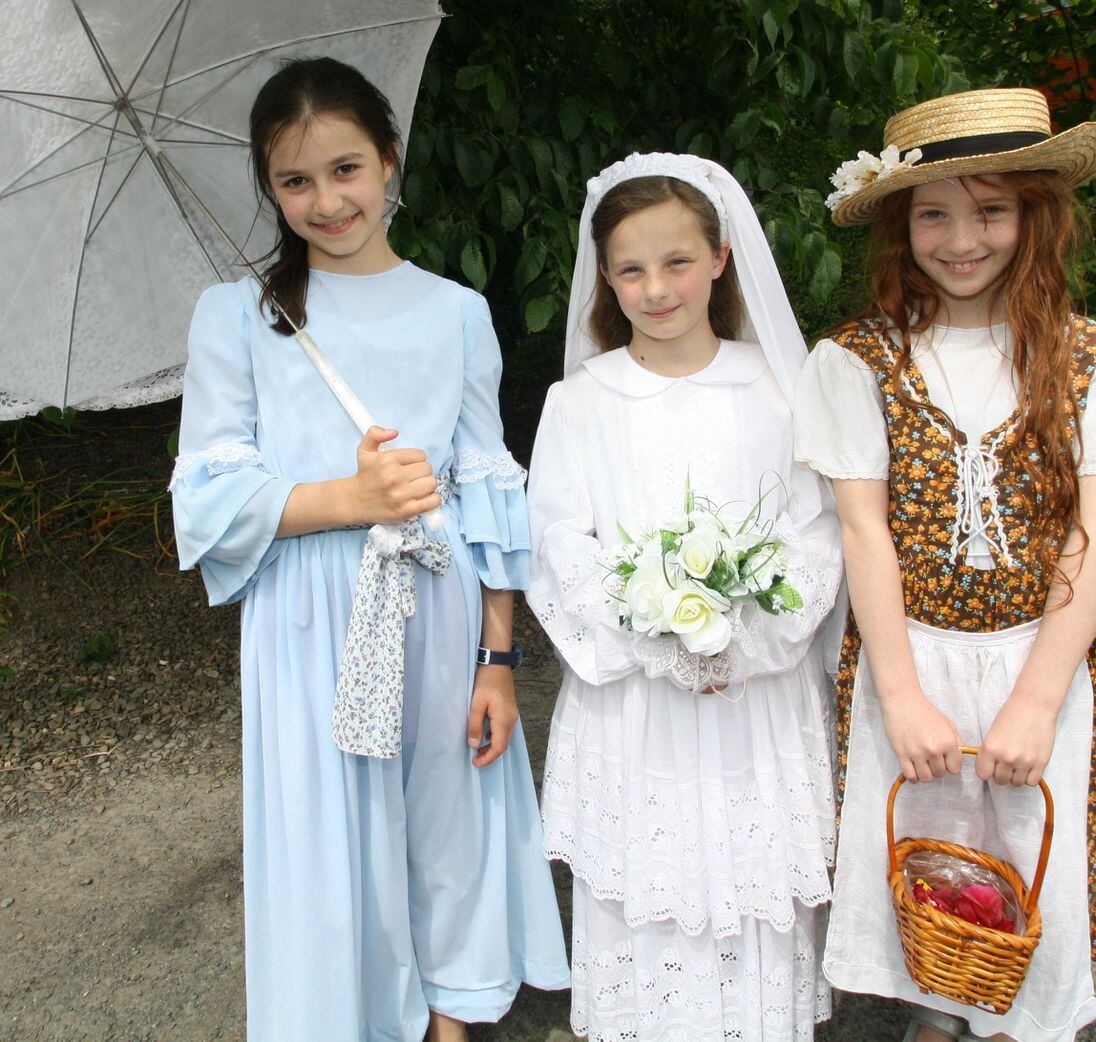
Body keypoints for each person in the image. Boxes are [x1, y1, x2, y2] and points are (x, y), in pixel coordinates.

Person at [169, 57, 569, 1042]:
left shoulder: (456, 313)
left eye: (346, 168)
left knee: (447, 815)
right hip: (308, 616)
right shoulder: (237, 318)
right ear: (268, 188)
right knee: (328, 839)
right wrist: (345, 496)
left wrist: (498, 658)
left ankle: (451, 1010)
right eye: (295, 181)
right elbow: (206, 497)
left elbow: (487, 487)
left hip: (437, 600)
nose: (327, 200)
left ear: (390, 161)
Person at [796, 88, 1096, 1042]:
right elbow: (863, 535)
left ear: (1035, 216)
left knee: (1026, 861)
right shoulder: (857, 361)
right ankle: (942, 1012)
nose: (961, 238)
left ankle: (1010, 1021)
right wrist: (902, 696)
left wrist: (1038, 700)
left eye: (991, 209)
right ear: (900, 224)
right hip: (908, 657)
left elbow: (1093, 537)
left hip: (1035, 658)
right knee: (925, 864)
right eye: (934, 212)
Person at [526, 152, 844, 1041]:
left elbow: (817, 535)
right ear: (605, 278)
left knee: (751, 889)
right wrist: (658, 636)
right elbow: (558, 542)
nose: (655, 288)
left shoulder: (780, 390)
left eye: (676, 262)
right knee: (649, 890)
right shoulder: (581, 400)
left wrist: (742, 638)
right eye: (630, 269)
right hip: (637, 702)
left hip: (755, 699)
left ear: (720, 257)